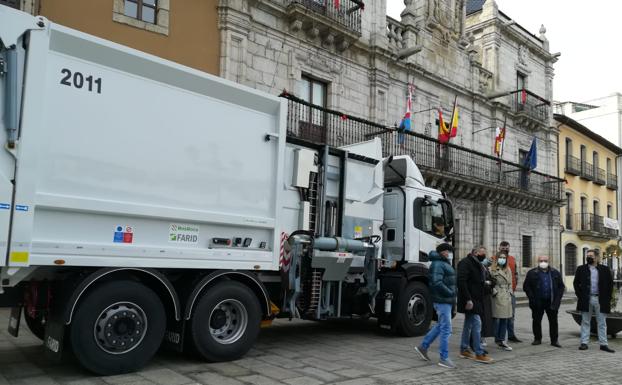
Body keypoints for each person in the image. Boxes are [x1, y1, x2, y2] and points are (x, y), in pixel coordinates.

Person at [415, 244, 457, 368]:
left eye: (449, 251)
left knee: (440, 326)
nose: (448, 253)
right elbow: (436, 282)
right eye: (446, 251)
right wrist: (450, 292)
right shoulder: (438, 263)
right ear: (441, 252)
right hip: (442, 300)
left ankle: (423, 347)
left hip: (445, 300)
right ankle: (444, 358)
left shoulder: (443, 262)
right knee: (446, 329)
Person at [573, 249, 615, 353]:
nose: (589, 257)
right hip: (586, 299)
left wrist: (607, 298)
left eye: (591, 256)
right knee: (585, 321)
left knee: (602, 322)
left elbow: (610, 285)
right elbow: (576, 283)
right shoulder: (581, 269)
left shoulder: (605, 269)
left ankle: (603, 344)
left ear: (596, 257)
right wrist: (580, 296)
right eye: (587, 256)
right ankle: (584, 343)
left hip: (600, 299)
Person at [457, 246, 494, 363]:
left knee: (468, 325)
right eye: (482, 253)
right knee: (477, 324)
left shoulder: (478, 263)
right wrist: (468, 299)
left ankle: (464, 349)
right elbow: (461, 282)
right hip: (470, 300)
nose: (484, 256)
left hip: (477, 299)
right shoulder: (465, 263)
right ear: (475, 252)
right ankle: (479, 352)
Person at [523, 255, 565, 347]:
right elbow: (526, 286)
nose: (543, 262)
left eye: (545, 260)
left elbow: (561, 286)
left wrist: (558, 299)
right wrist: (531, 297)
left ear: (548, 261)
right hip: (537, 301)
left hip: (551, 301)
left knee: (553, 322)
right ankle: (537, 338)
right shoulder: (532, 273)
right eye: (541, 261)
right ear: (538, 262)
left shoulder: (555, 272)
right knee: (536, 320)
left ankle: (554, 340)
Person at [498, 241, 521, 342]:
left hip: (511, 292)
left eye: (507, 248)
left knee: (511, 315)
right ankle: (498, 337)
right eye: (503, 248)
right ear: (499, 248)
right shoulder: (493, 259)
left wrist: (515, 285)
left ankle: (511, 335)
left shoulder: (512, 259)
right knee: (499, 316)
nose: (505, 249)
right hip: (499, 292)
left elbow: (515, 273)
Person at [491, 252, 513, 351]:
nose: (502, 259)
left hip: (506, 295)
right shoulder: (492, 269)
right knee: (496, 319)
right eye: (500, 257)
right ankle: (495, 338)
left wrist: (510, 292)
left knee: (505, 318)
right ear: (497, 258)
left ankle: (502, 340)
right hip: (497, 295)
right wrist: (494, 292)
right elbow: (488, 282)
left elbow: (510, 282)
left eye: (504, 258)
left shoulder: (508, 269)